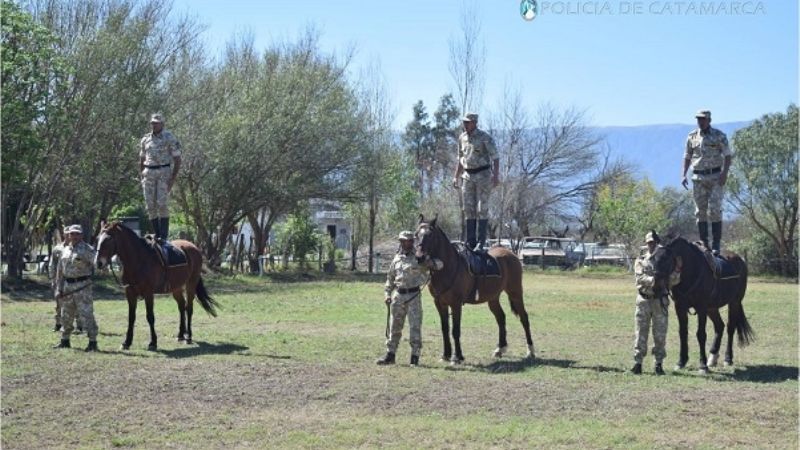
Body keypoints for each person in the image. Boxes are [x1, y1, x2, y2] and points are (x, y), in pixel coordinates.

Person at [376, 231, 442, 366]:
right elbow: (390, 279)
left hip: (413, 296)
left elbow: (440, 264)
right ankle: (390, 355)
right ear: (401, 242)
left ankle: (414, 357)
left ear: (413, 242)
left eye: (409, 241)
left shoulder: (419, 258)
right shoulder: (396, 259)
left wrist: (428, 262)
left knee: (415, 327)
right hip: (398, 296)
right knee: (394, 326)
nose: (407, 243)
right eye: (404, 241)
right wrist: (387, 294)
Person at [681, 109, 732, 255]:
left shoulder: (719, 136)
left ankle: (716, 244)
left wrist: (724, 174)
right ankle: (704, 243)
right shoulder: (691, 137)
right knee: (700, 212)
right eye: (698, 119)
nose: (700, 121)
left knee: (715, 209)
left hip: (715, 177)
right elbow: (687, 156)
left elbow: (728, 156)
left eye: (703, 119)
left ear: (709, 120)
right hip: (698, 178)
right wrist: (683, 175)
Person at [631, 231, 679, 375]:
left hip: (660, 301)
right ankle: (638, 363)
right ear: (646, 243)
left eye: (654, 242)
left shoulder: (665, 259)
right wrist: (655, 280)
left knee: (660, 334)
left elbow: (673, 280)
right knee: (640, 333)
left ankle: (658, 364)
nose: (651, 245)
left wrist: (676, 270)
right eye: (649, 242)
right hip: (644, 300)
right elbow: (639, 278)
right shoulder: (641, 260)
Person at [452, 113, 499, 251]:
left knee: (481, 209)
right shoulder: (462, 138)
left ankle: (481, 242)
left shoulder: (485, 138)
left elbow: (495, 157)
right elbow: (461, 159)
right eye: (464, 122)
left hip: (483, 175)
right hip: (467, 176)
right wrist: (456, 176)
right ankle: (470, 241)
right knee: (468, 208)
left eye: (468, 122)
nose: (465, 125)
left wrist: (495, 176)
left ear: (475, 122)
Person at [52, 225, 99, 352]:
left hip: (82, 287)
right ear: (69, 235)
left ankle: (92, 342)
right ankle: (65, 340)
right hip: (67, 287)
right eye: (72, 234)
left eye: (77, 234)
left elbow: (98, 264)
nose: (75, 236)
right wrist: (58, 288)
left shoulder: (88, 250)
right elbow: (60, 271)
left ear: (82, 235)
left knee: (86, 314)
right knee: (66, 315)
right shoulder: (65, 250)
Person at [140, 113, 181, 243]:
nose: (154, 125)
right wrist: (142, 175)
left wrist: (172, 178)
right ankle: (156, 234)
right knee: (150, 205)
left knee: (162, 204)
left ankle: (163, 235)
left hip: (164, 172)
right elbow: (141, 158)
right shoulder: (145, 139)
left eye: (157, 123)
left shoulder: (169, 138)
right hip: (149, 173)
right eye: (152, 123)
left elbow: (177, 159)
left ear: (162, 124)